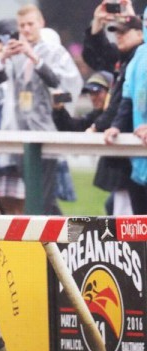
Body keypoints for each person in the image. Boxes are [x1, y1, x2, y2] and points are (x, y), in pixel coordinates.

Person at [0, 4, 83, 215]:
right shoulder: (15, 52)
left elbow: (60, 82)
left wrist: (35, 58)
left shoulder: (54, 51)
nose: (26, 29)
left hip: (46, 131)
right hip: (22, 133)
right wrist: (3, 58)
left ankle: (63, 240)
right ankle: (66, 240)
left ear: (41, 23)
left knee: (42, 199)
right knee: (37, 198)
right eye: (22, 25)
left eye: (30, 24)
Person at [82, 0, 144, 215]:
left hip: (134, 150)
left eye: (124, 32)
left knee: (126, 219)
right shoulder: (132, 60)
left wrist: (98, 126)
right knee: (121, 214)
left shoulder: (137, 57)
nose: (118, 36)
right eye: (116, 32)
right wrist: (98, 22)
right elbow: (96, 56)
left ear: (140, 32)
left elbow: (120, 101)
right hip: (131, 155)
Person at [106, 5, 147, 214]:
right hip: (139, 158)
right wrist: (116, 127)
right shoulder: (139, 56)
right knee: (140, 228)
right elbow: (128, 99)